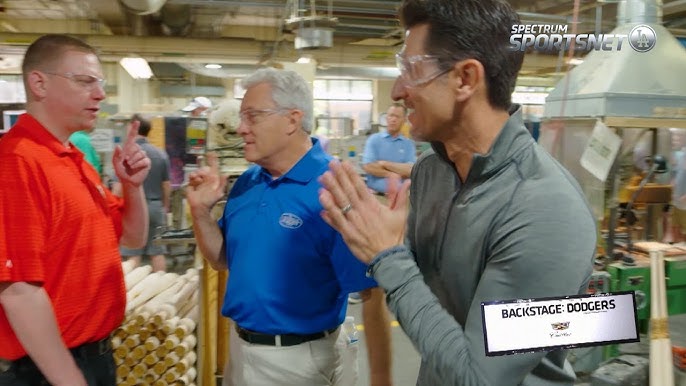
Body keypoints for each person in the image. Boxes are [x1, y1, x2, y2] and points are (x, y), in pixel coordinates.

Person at [317, 1, 597, 385]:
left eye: (412, 70)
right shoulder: (434, 173)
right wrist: (379, 242)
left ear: (465, 78)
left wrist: (388, 258)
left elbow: (479, 378)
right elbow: (432, 299)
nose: (398, 91)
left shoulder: (547, 210)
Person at [186, 68, 392, 386]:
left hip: (299, 361)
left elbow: (371, 293)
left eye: (252, 117)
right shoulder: (247, 182)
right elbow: (222, 259)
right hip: (240, 351)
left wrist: (381, 378)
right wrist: (200, 212)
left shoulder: (334, 189)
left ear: (292, 120)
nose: (240, 129)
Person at [0, 34, 150, 386]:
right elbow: (19, 292)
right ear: (39, 83)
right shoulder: (18, 161)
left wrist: (133, 186)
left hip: (91, 355)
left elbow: (132, 237)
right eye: (85, 82)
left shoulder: (72, 160)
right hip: (48, 369)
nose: (100, 95)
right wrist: (70, 379)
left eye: (99, 84)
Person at [119, 114, 171, 272]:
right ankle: (162, 290)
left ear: (132, 127)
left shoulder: (127, 154)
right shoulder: (161, 154)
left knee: (133, 254)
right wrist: (164, 207)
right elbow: (166, 185)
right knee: (157, 252)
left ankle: (132, 293)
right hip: (155, 207)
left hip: (133, 209)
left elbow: (118, 187)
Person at [362, 103, 416, 196]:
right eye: (391, 115)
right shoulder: (374, 140)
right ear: (386, 118)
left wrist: (384, 164)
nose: (393, 119)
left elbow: (410, 170)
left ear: (404, 120)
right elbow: (368, 166)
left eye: (397, 117)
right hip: (377, 197)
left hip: (401, 197)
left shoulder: (408, 144)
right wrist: (393, 175)